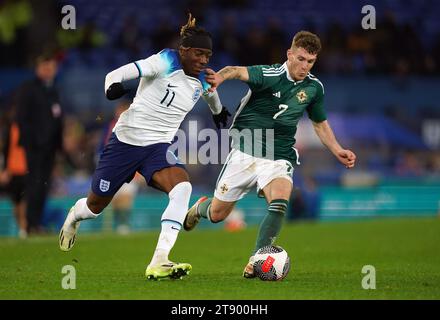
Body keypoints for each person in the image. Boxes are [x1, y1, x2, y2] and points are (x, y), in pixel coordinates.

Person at [58, 14, 231, 280]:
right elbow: (116, 75)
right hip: (125, 143)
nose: (204, 60)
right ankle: (73, 217)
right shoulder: (164, 61)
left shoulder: (204, 78)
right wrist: (112, 88)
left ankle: (160, 259)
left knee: (183, 188)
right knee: (94, 208)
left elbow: (211, 96)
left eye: (208, 55)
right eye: (199, 53)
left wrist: (219, 113)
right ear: (184, 50)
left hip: (158, 147)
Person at [184, 31, 357, 278]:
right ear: (289, 54)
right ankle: (200, 208)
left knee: (279, 201)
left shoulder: (314, 88)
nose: (304, 66)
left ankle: (257, 259)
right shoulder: (269, 74)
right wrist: (218, 79)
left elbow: (319, 123)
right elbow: (234, 70)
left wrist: (337, 149)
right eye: (300, 59)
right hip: (246, 149)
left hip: (280, 154)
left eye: (310, 61)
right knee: (218, 214)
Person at [16, 50, 64, 234]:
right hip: (34, 147)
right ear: (38, 68)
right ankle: (30, 224)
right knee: (34, 184)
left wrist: (58, 145)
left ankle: (37, 224)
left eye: (51, 67)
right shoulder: (28, 88)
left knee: (44, 184)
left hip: (50, 147)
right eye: (45, 67)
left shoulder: (53, 89)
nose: (48, 70)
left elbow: (58, 118)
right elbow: (21, 118)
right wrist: (31, 141)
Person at [0, 100, 28, 238]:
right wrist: (5, 170)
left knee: (24, 201)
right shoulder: (10, 128)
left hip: (25, 169)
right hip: (13, 170)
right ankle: (21, 228)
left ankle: (24, 228)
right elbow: (6, 151)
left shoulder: (28, 127)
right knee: (16, 201)